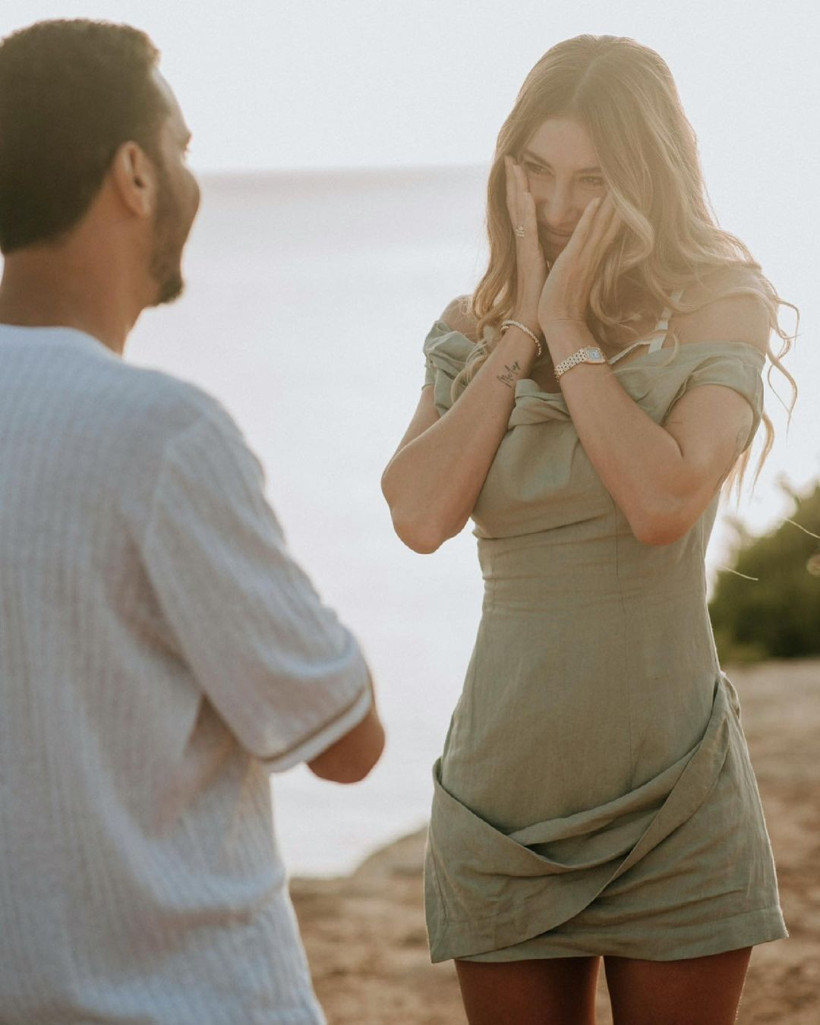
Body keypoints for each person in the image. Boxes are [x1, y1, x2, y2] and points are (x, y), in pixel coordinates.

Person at [382, 34, 794, 1025]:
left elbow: (659, 504)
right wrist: (520, 325)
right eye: (535, 172)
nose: (557, 209)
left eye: (591, 181)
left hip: (676, 800)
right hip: (503, 804)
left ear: (646, 179)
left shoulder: (719, 307)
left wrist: (568, 330)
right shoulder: (472, 328)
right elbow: (419, 512)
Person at [0, 19, 384, 1025]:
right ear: (133, 172)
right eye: (182, 147)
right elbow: (346, 737)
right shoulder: (162, 435)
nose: (188, 178)